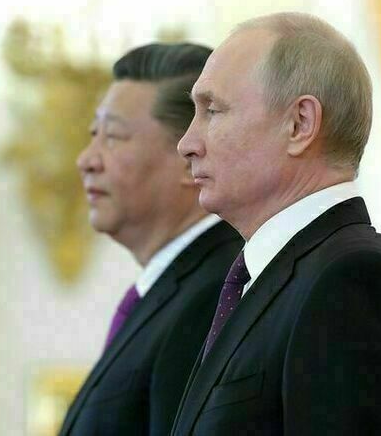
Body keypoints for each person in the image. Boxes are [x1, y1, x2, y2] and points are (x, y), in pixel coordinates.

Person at [171, 13, 381, 435]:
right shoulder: (274, 280)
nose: (186, 143)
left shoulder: (354, 282)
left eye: (213, 110)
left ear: (300, 124)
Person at [59, 43, 243, 436]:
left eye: (113, 136)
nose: (86, 159)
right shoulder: (173, 290)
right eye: (93, 134)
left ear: (189, 159)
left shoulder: (217, 293)